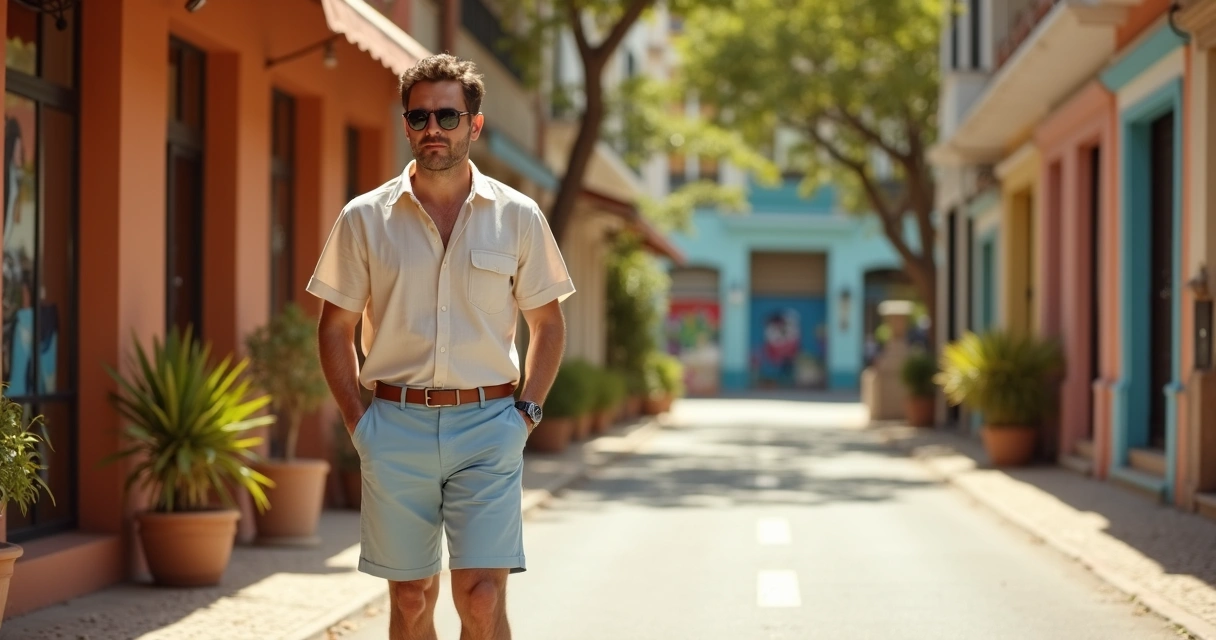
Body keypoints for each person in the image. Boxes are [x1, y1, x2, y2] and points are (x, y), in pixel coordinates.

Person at [308, 53, 574, 640]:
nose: (433, 128)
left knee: (480, 598)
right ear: (406, 125)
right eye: (419, 116)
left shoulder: (519, 216)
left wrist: (526, 414)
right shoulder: (363, 218)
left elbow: (548, 325)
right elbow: (333, 329)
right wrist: (358, 423)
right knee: (409, 600)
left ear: (474, 125)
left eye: (447, 116)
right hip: (394, 425)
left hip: (489, 426)